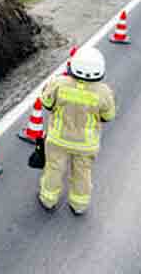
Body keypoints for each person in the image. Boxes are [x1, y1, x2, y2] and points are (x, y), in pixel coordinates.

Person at [38, 46, 116, 215]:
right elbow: (108, 116)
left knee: (54, 168)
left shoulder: (59, 83)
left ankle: (48, 199)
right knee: (82, 173)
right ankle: (79, 205)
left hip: (59, 139)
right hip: (86, 144)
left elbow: (47, 103)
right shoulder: (103, 92)